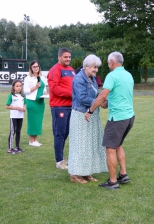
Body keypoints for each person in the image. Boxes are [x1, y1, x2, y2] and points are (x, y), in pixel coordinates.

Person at [85, 51, 135, 190]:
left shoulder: (112, 76)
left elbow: (102, 95)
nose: (108, 65)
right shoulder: (128, 75)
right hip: (129, 116)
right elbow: (120, 95)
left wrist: (90, 111)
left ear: (112, 62)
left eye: (108, 63)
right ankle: (123, 174)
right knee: (118, 145)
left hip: (118, 118)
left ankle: (113, 182)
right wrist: (107, 103)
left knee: (110, 149)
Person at [68, 54, 108, 184]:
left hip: (92, 115)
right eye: (94, 67)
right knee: (80, 145)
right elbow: (82, 98)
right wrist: (98, 102)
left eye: (97, 67)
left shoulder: (92, 79)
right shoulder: (79, 79)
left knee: (90, 144)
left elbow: (96, 93)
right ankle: (75, 174)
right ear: (86, 66)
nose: (96, 70)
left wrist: (102, 100)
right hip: (80, 115)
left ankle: (86, 172)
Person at [47, 47, 75, 169]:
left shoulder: (71, 70)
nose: (68, 59)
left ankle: (62, 157)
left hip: (70, 107)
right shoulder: (55, 70)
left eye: (69, 57)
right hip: (59, 106)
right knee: (59, 133)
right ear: (59, 57)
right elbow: (54, 89)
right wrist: (72, 94)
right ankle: (59, 161)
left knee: (66, 133)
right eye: (65, 57)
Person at [24, 60, 47, 147]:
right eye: (34, 67)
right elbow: (25, 91)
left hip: (40, 102)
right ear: (31, 68)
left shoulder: (43, 77)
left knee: (38, 122)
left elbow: (44, 88)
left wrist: (45, 92)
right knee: (32, 121)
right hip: (32, 102)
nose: (36, 68)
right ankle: (31, 140)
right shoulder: (28, 78)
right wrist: (35, 87)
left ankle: (35, 140)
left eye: (37, 66)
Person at [6, 79, 27, 154]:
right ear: (13, 87)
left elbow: (24, 104)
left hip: (20, 116)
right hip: (13, 117)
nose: (19, 87)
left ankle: (17, 147)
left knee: (18, 131)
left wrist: (24, 109)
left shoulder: (23, 96)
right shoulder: (11, 96)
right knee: (12, 132)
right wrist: (16, 108)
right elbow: (7, 106)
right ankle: (10, 148)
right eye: (17, 86)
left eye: (20, 86)